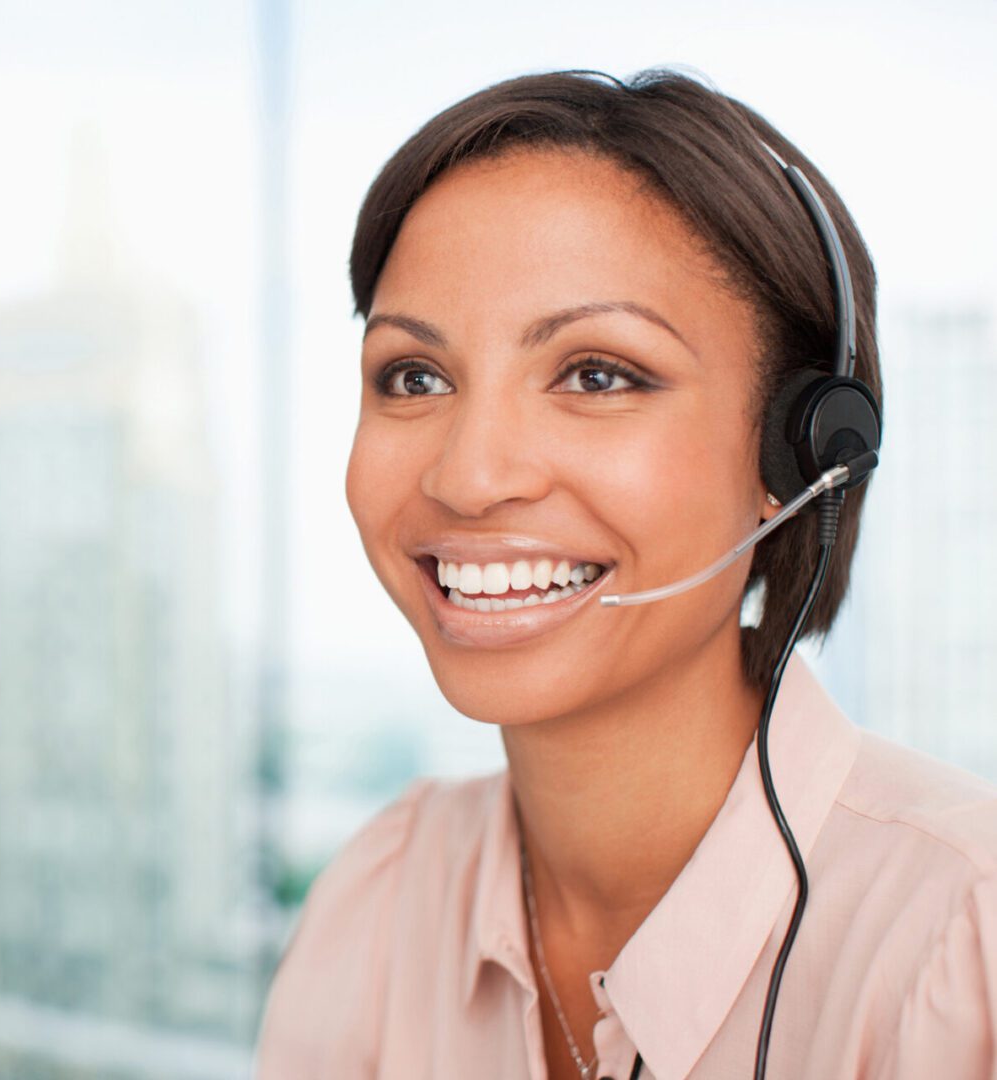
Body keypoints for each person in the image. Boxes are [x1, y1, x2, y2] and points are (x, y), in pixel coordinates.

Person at [253, 67, 997, 1079]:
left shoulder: (961, 938)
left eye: (596, 374)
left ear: (799, 456)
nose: (468, 478)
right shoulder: (383, 897)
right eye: (415, 377)